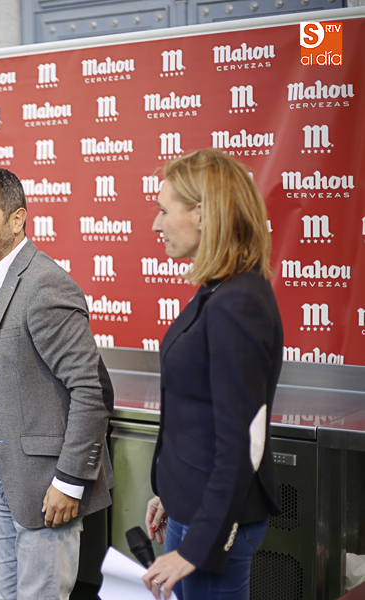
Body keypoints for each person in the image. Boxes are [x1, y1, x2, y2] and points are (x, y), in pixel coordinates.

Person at [0, 167, 115, 600]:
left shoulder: (44, 284)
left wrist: (69, 481)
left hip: (51, 486)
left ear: (16, 219)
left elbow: (90, 390)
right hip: (8, 478)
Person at [142, 149, 283, 600]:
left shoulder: (237, 303)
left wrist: (197, 545)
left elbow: (243, 440)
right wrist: (171, 491)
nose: (156, 224)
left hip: (214, 521)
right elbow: (199, 415)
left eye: (164, 211)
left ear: (201, 214)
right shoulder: (217, 292)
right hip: (194, 505)